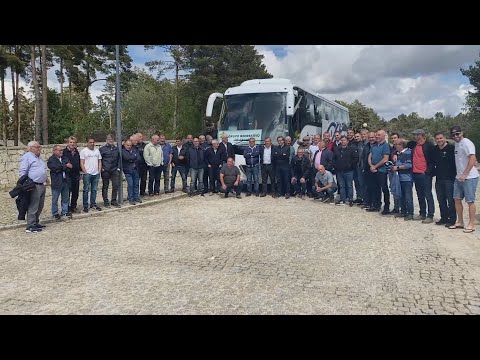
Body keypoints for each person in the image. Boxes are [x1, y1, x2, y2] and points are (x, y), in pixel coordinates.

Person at [449, 126, 479, 233]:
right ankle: (460, 221)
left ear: (462, 132)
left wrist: (465, 174)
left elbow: (473, 158)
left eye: (457, 134)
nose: (456, 136)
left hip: (469, 177)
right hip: (459, 177)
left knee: (470, 201)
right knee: (457, 199)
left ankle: (471, 224)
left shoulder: (467, 143)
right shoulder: (457, 144)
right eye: (453, 135)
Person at [19, 141, 47, 233]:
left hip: (41, 184)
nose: (39, 149)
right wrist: (25, 184)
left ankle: (35, 222)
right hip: (33, 185)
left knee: (40, 205)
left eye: (39, 147)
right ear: (30, 148)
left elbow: (42, 170)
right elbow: (23, 171)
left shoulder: (39, 158)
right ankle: (30, 225)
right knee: (33, 206)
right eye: (37, 147)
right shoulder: (27, 157)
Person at [432, 132, 456, 226]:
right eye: (437, 139)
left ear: (444, 138)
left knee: (451, 200)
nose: (439, 140)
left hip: (450, 178)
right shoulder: (435, 149)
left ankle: (452, 219)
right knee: (441, 200)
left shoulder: (451, 148)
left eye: (441, 138)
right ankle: (444, 218)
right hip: (439, 178)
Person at [411, 129, 435, 223]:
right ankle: (422, 213)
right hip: (415, 173)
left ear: (422, 135)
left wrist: (428, 171)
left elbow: (433, 160)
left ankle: (430, 215)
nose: (415, 136)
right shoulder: (414, 145)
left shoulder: (429, 145)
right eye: (415, 135)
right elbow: (401, 143)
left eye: (417, 135)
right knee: (420, 195)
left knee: (428, 195)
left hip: (424, 174)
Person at [367, 130, 391, 214]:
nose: (377, 136)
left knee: (384, 189)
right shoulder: (374, 146)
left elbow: (385, 159)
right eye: (376, 135)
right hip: (373, 170)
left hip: (382, 170)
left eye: (379, 135)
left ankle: (387, 207)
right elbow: (370, 156)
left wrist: (375, 166)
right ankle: (376, 205)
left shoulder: (386, 146)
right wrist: (371, 166)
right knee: (375, 188)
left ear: (384, 136)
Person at [391, 139, 414, 221]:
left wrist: (397, 167)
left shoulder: (408, 152)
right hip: (399, 177)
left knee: (408, 196)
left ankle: (410, 213)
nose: (395, 146)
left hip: (407, 178)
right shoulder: (398, 153)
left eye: (396, 144)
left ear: (401, 145)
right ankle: (403, 211)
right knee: (401, 195)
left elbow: (409, 165)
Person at [47, 145, 71, 220]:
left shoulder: (65, 158)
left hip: (65, 181)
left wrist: (63, 167)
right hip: (57, 182)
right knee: (55, 199)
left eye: (62, 150)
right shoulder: (51, 159)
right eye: (59, 150)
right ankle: (55, 213)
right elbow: (55, 168)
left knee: (65, 198)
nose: (61, 152)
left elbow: (69, 168)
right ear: (54, 151)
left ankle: (64, 211)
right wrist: (65, 166)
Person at [333, 135, 358, 206]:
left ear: (347, 141)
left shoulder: (351, 149)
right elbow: (334, 159)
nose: (343, 141)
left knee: (349, 186)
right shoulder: (337, 149)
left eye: (344, 140)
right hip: (339, 171)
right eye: (342, 140)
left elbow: (355, 158)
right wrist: (335, 166)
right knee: (341, 186)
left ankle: (350, 199)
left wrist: (350, 165)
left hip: (349, 171)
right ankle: (343, 199)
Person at [80, 137, 102, 213]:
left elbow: (99, 161)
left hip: (96, 173)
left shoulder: (97, 151)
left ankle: (93, 204)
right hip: (87, 174)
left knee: (94, 190)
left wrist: (99, 171)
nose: (92, 144)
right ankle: (85, 206)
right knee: (86, 190)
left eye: (93, 142)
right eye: (90, 142)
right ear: (87, 143)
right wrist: (85, 172)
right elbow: (82, 162)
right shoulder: (84, 151)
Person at [99, 134, 121, 208]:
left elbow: (119, 159)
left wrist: (118, 168)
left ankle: (113, 200)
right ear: (106, 140)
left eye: (112, 139)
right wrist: (101, 168)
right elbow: (99, 160)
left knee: (115, 185)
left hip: (114, 170)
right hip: (105, 170)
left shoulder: (116, 149)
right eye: (109, 139)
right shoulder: (102, 149)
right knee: (105, 186)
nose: (110, 140)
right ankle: (105, 201)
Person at [63, 136, 81, 213]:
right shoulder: (64, 152)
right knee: (67, 193)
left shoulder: (77, 152)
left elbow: (79, 162)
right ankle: (66, 208)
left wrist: (80, 172)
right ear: (68, 143)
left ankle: (73, 207)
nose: (72, 144)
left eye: (73, 142)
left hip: (76, 175)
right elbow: (63, 162)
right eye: (70, 142)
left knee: (75, 192)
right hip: (68, 175)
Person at [122, 140, 141, 205]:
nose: (129, 146)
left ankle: (136, 197)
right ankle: (131, 198)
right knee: (130, 184)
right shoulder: (123, 151)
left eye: (130, 145)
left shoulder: (134, 150)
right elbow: (127, 158)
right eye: (128, 145)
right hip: (128, 170)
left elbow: (139, 158)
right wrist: (133, 158)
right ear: (125, 145)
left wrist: (132, 159)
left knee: (136, 184)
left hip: (135, 169)